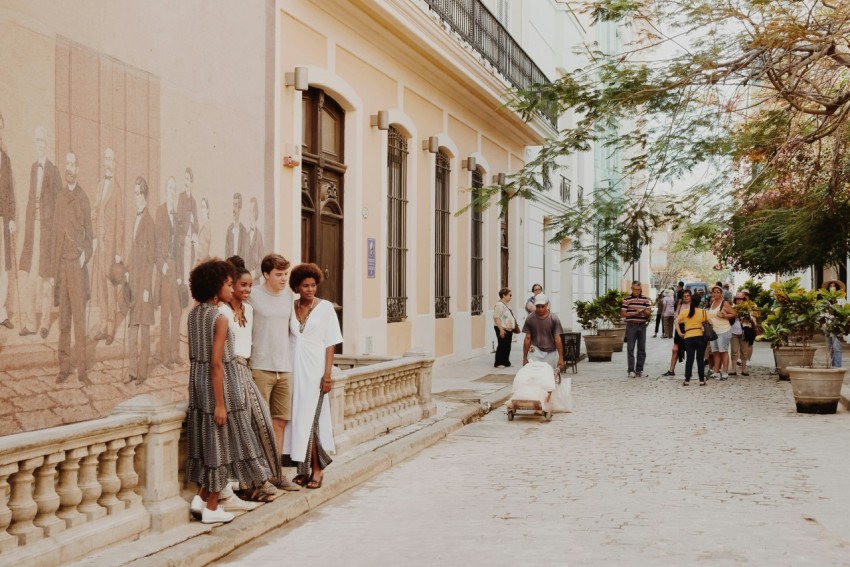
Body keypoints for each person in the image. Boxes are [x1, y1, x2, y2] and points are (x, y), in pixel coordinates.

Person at [185, 258, 274, 524]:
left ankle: (200, 499)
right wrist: (220, 404)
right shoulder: (220, 315)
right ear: (215, 287)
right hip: (222, 384)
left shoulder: (195, 314)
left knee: (208, 443)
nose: (230, 287)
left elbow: (197, 358)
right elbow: (216, 363)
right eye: (226, 283)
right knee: (220, 448)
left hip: (199, 383)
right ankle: (212, 507)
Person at [217, 255, 279, 503]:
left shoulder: (250, 310)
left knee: (261, 422)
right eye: (242, 285)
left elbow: (248, 343)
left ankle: (264, 479)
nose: (246, 290)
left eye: (249, 286)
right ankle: (249, 485)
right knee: (243, 427)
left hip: (246, 370)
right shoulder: (220, 311)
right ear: (231, 285)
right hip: (230, 371)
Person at [286, 262, 343, 490]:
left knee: (312, 420)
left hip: (315, 371)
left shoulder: (326, 308)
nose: (310, 289)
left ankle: (317, 470)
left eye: (313, 285)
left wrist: (327, 375)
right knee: (297, 420)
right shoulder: (290, 307)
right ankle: (304, 469)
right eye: (305, 285)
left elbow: (330, 344)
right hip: (293, 371)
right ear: (297, 287)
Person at [248, 253, 300, 491]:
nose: (283, 279)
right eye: (279, 274)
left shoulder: (289, 296)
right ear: (266, 274)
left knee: (279, 422)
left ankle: (276, 474)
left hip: (284, 367)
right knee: (260, 423)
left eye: (285, 274)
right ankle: (258, 477)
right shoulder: (254, 295)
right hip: (260, 366)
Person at [52, 151, 93, 384]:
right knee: (64, 319)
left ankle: (83, 370)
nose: (69, 169)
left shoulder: (84, 199)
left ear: (77, 169)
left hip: (77, 267)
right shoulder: (58, 198)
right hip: (62, 267)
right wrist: (52, 272)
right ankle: (63, 367)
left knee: (78, 319)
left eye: (72, 165)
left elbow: (90, 237)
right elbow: (54, 236)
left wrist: (83, 257)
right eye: (66, 164)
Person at [19, 126, 60, 338]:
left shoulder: (53, 171)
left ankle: (44, 323)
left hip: (47, 233)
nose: (40, 144)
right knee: (32, 277)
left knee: (46, 277)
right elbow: (29, 199)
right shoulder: (33, 168)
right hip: (33, 231)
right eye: (37, 140)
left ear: (47, 144)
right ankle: (30, 323)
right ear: (35, 143)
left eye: (43, 140)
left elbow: (59, 204)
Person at [91, 147, 125, 345]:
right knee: (101, 285)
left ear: (115, 162)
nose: (108, 162)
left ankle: (111, 326)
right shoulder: (99, 186)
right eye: (106, 158)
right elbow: (95, 212)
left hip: (112, 246)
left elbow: (120, 221)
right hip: (101, 245)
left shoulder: (117, 189)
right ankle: (104, 324)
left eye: (111, 158)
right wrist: (95, 236)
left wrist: (119, 251)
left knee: (111, 285)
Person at [125, 177, 156, 384]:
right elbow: (133, 250)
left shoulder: (149, 222)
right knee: (132, 329)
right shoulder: (135, 219)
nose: (135, 197)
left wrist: (146, 287)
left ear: (144, 195)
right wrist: (127, 270)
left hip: (143, 284)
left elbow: (150, 258)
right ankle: (132, 371)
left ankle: (142, 374)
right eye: (134, 193)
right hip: (133, 281)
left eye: (138, 194)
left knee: (144, 330)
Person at [155, 177, 182, 370]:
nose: (172, 192)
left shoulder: (177, 214)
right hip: (165, 268)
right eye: (169, 188)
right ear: (166, 191)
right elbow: (157, 242)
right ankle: (164, 357)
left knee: (177, 311)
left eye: (174, 188)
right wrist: (161, 263)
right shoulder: (161, 211)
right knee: (165, 313)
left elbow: (179, 246)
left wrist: (180, 272)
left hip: (175, 268)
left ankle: (174, 354)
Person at [0, 111, 16, 330]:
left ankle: (1, 312)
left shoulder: (5, 159)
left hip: (2, 219)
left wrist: (11, 218)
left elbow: (10, 192)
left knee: (3, 267)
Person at [521, 293, 564, 371]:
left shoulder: (554, 318)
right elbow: (527, 338)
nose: (540, 309)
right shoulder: (530, 318)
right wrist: (524, 358)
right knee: (534, 373)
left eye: (542, 306)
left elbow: (557, 338)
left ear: (547, 305)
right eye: (538, 306)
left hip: (550, 351)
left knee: (549, 374)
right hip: (535, 350)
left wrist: (561, 357)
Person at [675, 289, 707, 385]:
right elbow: (711, 323)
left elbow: (676, 321)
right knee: (700, 359)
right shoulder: (703, 312)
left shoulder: (685, 312)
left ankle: (687, 380)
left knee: (689, 359)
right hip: (700, 337)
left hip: (688, 336)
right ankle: (701, 380)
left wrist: (680, 332)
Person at [620, 281, 652, 378]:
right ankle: (631, 370)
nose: (637, 291)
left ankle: (639, 370)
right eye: (635, 289)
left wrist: (645, 312)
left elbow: (649, 312)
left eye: (638, 289)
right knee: (630, 348)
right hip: (631, 325)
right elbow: (622, 313)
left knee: (642, 348)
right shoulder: (627, 299)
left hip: (642, 325)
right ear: (631, 288)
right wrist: (634, 314)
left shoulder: (645, 299)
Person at [707, 285, 736, 379]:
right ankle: (716, 371)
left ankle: (725, 372)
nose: (715, 293)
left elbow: (733, 314)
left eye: (717, 292)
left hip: (723, 330)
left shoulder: (724, 303)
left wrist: (724, 316)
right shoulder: (713, 302)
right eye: (714, 292)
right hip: (713, 331)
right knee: (715, 352)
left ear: (721, 293)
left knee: (723, 351)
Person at [729, 292, 756, 376]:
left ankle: (744, 370)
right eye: (737, 299)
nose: (739, 301)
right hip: (733, 332)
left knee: (744, 351)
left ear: (744, 300)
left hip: (745, 332)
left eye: (740, 299)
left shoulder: (748, 309)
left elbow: (753, 319)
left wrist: (747, 315)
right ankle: (733, 370)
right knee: (734, 351)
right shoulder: (732, 308)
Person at [493, 287, 518, 368]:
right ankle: (499, 362)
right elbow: (497, 317)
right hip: (501, 328)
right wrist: (501, 329)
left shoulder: (507, 305)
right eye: (509, 295)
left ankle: (506, 362)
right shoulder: (499, 305)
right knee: (502, 345)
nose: (511, 296)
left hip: (508, 329)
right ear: (504, 295)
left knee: (507, 346)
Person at [824, 281, 845, 369]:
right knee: (830, 347)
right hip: (828, 325)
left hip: (838, 326)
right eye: (830, 286)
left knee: (837, 347)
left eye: (834, 286)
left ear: (837, 288)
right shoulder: (826, 299)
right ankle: (833, 366)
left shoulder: (841, 299)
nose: (832, 287)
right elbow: (823, 312)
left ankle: (837, 366)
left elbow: (844, 311)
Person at [225, 192, 247, 259]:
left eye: (236, 205)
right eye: (233, 205)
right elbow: (226, 254)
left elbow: (244, 256)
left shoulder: (243, 231)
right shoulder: (229, 229)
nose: (234, 209)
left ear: (240, 208)